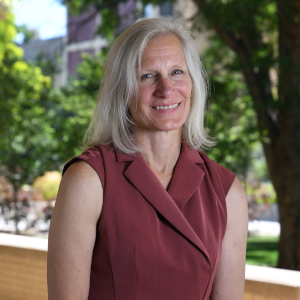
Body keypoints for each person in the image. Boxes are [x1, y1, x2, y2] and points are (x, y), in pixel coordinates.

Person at [47, 18, 248, 300]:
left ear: (192, 83)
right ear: (123, 90)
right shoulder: (88, 181)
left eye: (177, 72)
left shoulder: (228, 193)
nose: (166, 89)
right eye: (147, 76)